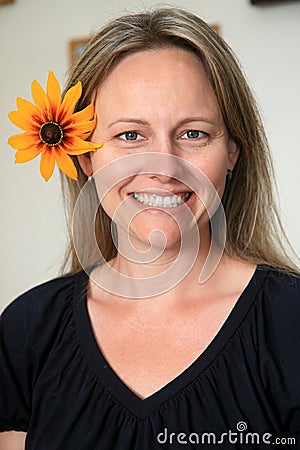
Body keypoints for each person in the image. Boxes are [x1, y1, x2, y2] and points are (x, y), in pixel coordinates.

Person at [1, 7, 299, 449]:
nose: (163, 166)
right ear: (85, 158)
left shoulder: (291, 322)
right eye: (129, 136)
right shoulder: (27, 330)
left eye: (194, 134)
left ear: (233, 152)